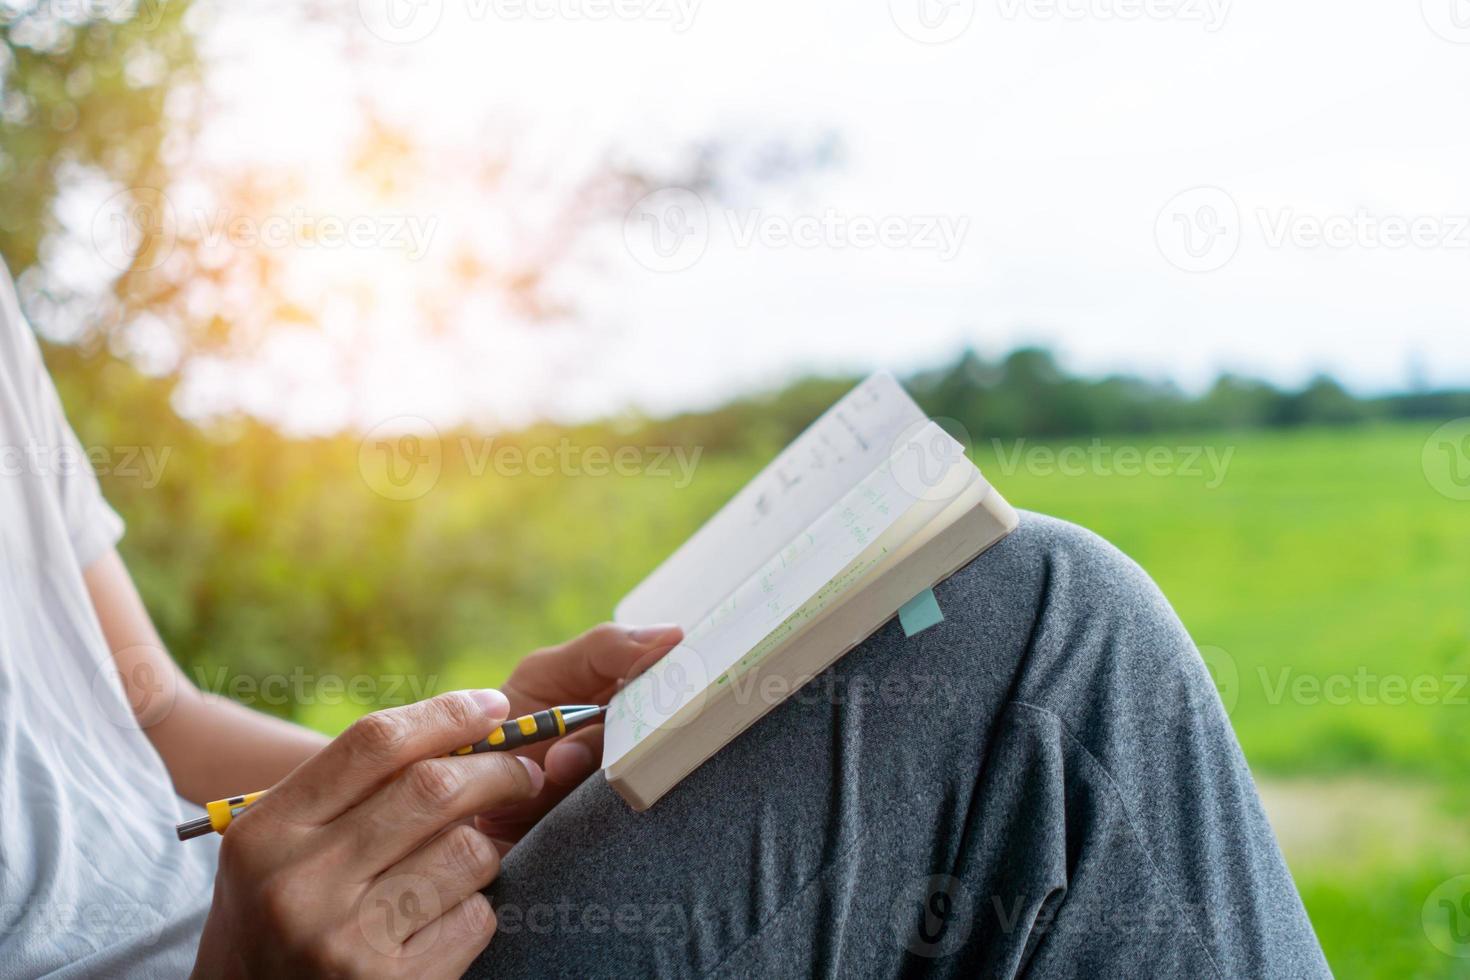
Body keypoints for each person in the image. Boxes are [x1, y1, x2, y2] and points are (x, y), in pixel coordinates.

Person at [0, 262, 1331, 978]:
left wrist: (495, 781)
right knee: (1026, 636)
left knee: (1005, 626)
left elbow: (145, 711)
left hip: (351, 937)